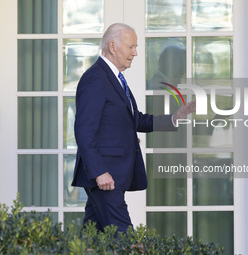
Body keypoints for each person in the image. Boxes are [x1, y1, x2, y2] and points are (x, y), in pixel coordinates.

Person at [72, 23, 196, 233]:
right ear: (113, 46)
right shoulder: (95, 79)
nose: (135, 53)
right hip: (105, 176)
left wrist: (175, 118)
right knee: (124, 237)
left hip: (112, 176)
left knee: (92, 237)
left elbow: (133, 120)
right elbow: (84, 131)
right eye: (131, 47)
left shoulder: (114, 78)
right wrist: (100, 172)